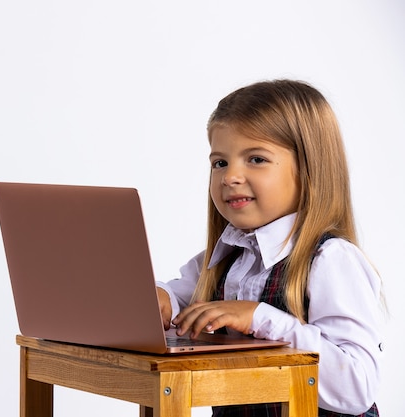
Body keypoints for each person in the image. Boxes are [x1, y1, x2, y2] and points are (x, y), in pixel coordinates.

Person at [156, 79, 384, 417]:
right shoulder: (220, 261)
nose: (230, 176)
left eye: (256, 159)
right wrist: (160, 300)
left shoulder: (330, 260)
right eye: (220, 162)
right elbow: (179, 300)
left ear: (309, 170)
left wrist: (259, 318)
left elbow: (357, 387)